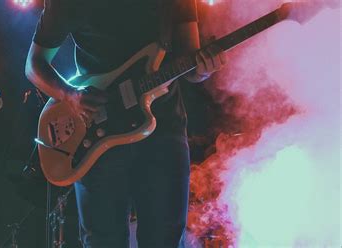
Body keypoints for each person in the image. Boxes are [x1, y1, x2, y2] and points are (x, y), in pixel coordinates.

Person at [25, 0, 227, 247]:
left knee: (165, 240)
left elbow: (191, 67)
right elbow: (33, 64)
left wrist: (204, 68)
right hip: (96, 134)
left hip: (163, 127)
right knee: (103, 240)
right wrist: (69, 94)